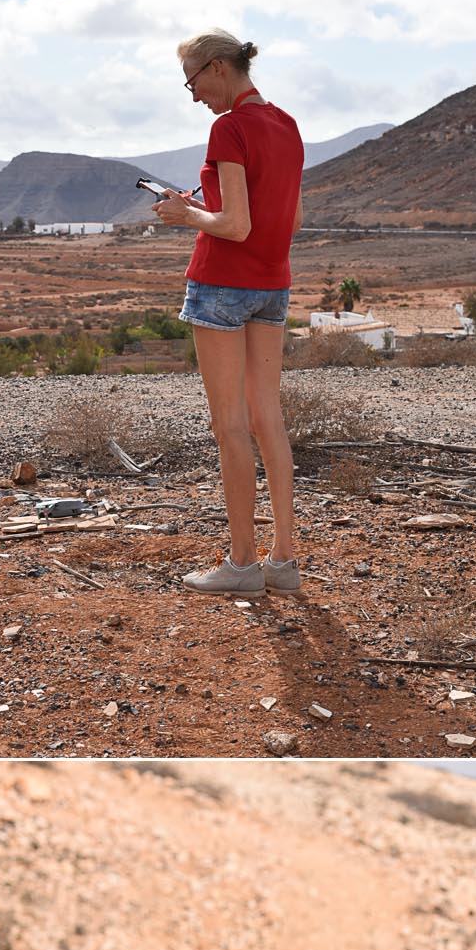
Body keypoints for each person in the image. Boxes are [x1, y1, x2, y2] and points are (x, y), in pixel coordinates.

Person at [150, 30, 304, 595]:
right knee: (269, 417)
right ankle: (283, 561)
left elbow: (234, 226)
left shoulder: (229, 127)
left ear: (217, 68)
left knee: (230, 427)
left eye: (192, 81)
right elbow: (285, 219)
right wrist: (206, 208)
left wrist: (184, 215)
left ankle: (242, 566)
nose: (193, 95)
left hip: (221, 284)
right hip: (272, 285)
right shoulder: (286, 125)